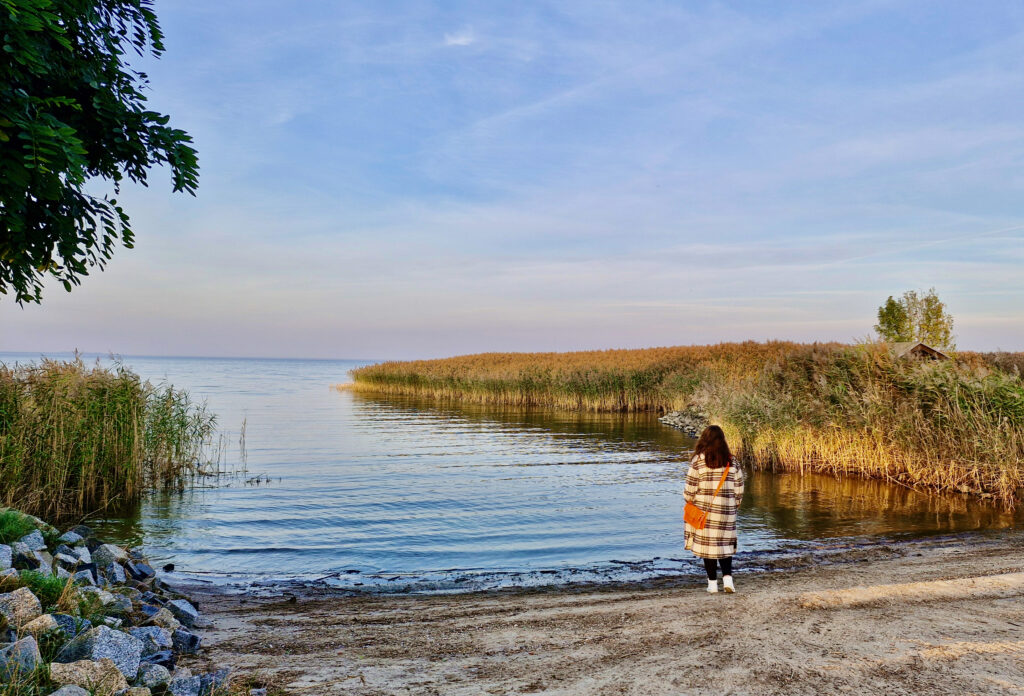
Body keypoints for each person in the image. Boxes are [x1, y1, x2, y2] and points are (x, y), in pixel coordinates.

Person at [684, 425, 744, 593]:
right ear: (723, 441)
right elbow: (739, 489)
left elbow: (689, 490)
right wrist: (733, 506)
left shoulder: (698, 461)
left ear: (704, 439)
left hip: (704, 512)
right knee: (724, 546)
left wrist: (690, 500)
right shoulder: (732, 461)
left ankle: (712, 584)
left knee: (707, 548)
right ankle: (728, 580)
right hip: (726, 512)